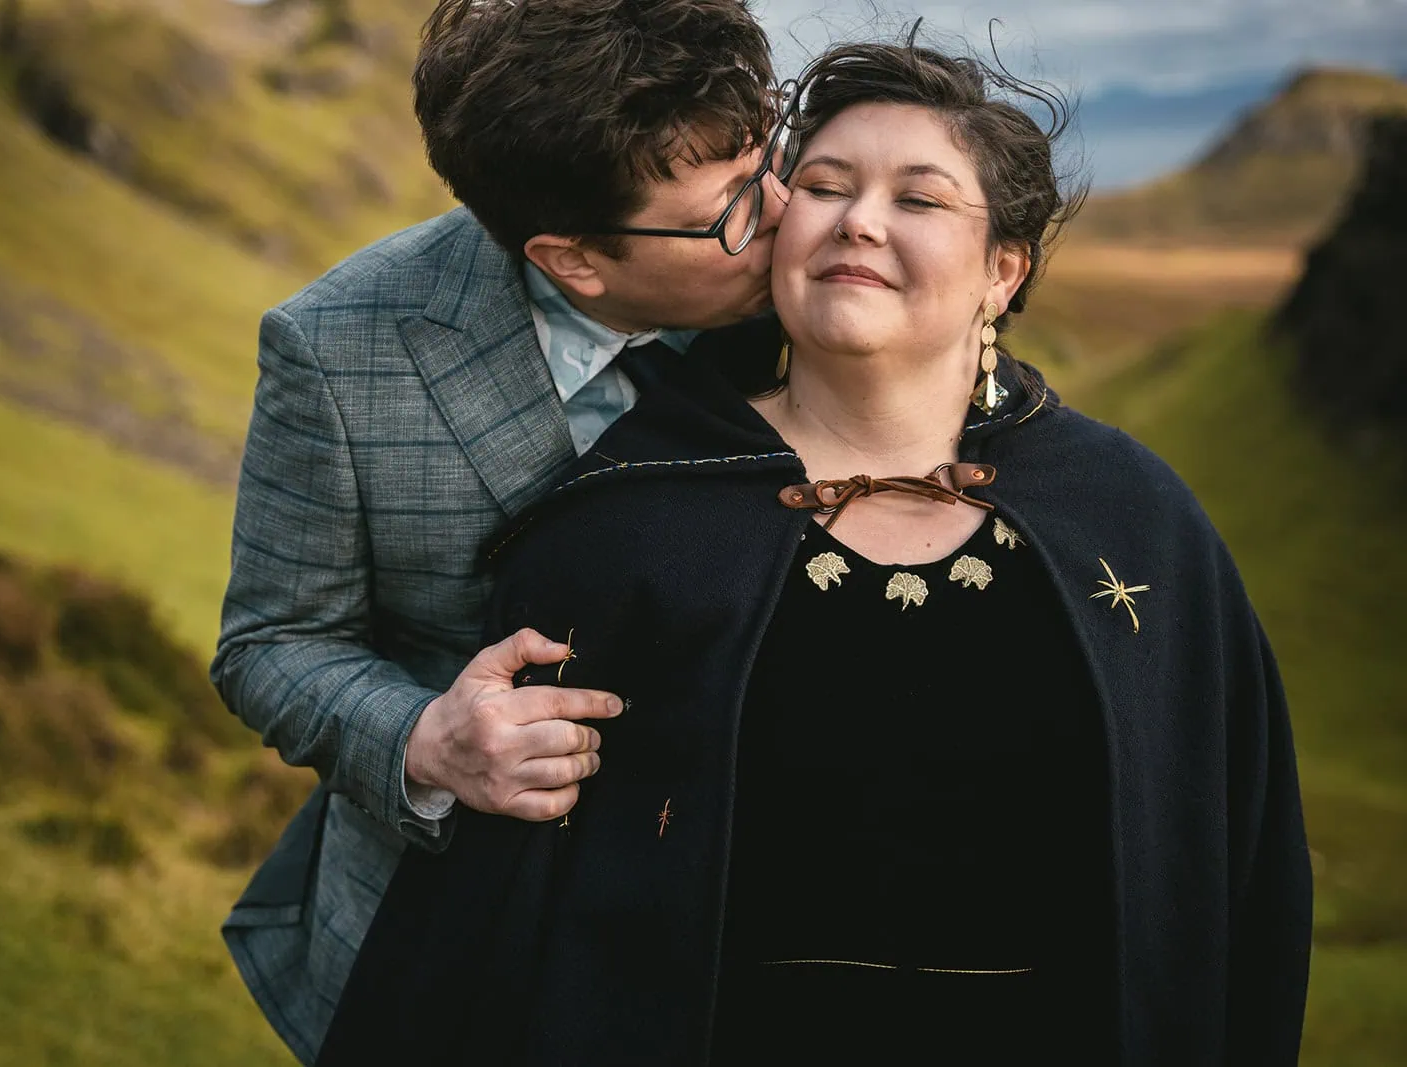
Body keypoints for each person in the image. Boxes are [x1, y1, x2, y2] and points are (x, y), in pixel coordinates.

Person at [321, 33, 1313, 1066]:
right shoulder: (621, 526)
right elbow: (503, 922)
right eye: (825, 186)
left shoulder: (1132, 518)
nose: (859, 219)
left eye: (918, 198)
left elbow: (1235, 867)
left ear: (1002, 271)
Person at [209, 1, 787, 1061]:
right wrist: (430, 741)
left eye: (771, 157)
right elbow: (272, 642)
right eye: (734, 210)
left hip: (753, 942)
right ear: (575, 260)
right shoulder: (338, 349)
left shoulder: (814, 294)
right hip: (446, 939)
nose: (789, 213)